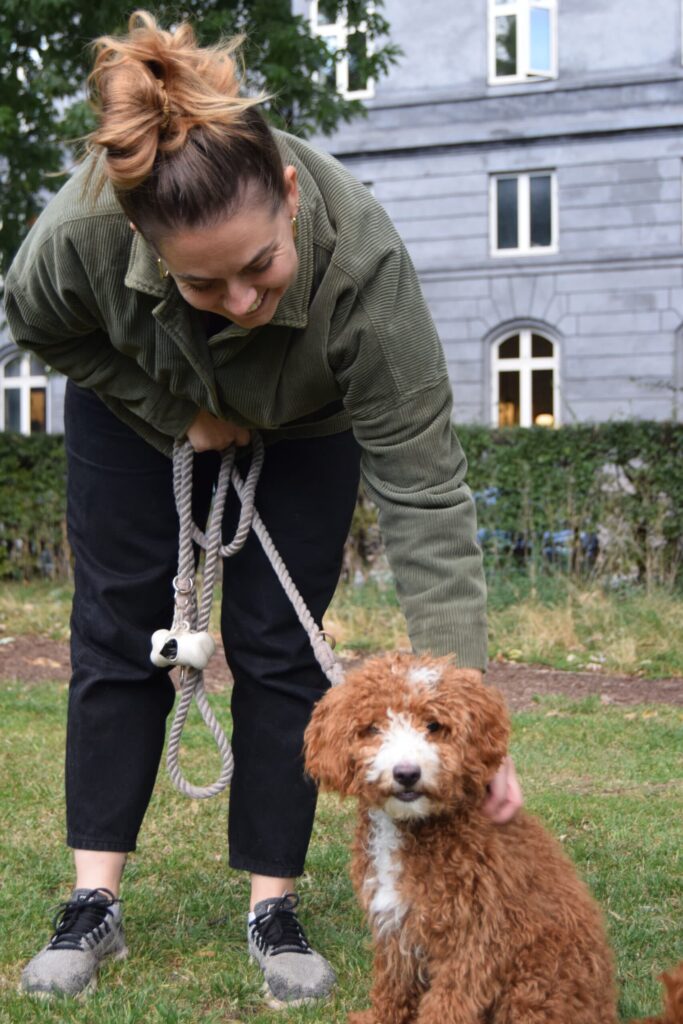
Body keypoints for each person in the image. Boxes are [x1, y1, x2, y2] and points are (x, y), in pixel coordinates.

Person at [5, 10, 522, 1005]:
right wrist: (173, 409)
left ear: (288, 195)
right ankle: (90, 902)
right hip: (135, 410)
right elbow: (36, 321)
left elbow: (421, 488)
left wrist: (477, 717)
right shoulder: (78, 234)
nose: (245, 301)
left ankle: (271, 904)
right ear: (151, 252)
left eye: (262, 267)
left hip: (306, 426)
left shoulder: (367, 269)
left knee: (281, 645)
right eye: (206, 282)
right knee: (117, 635)